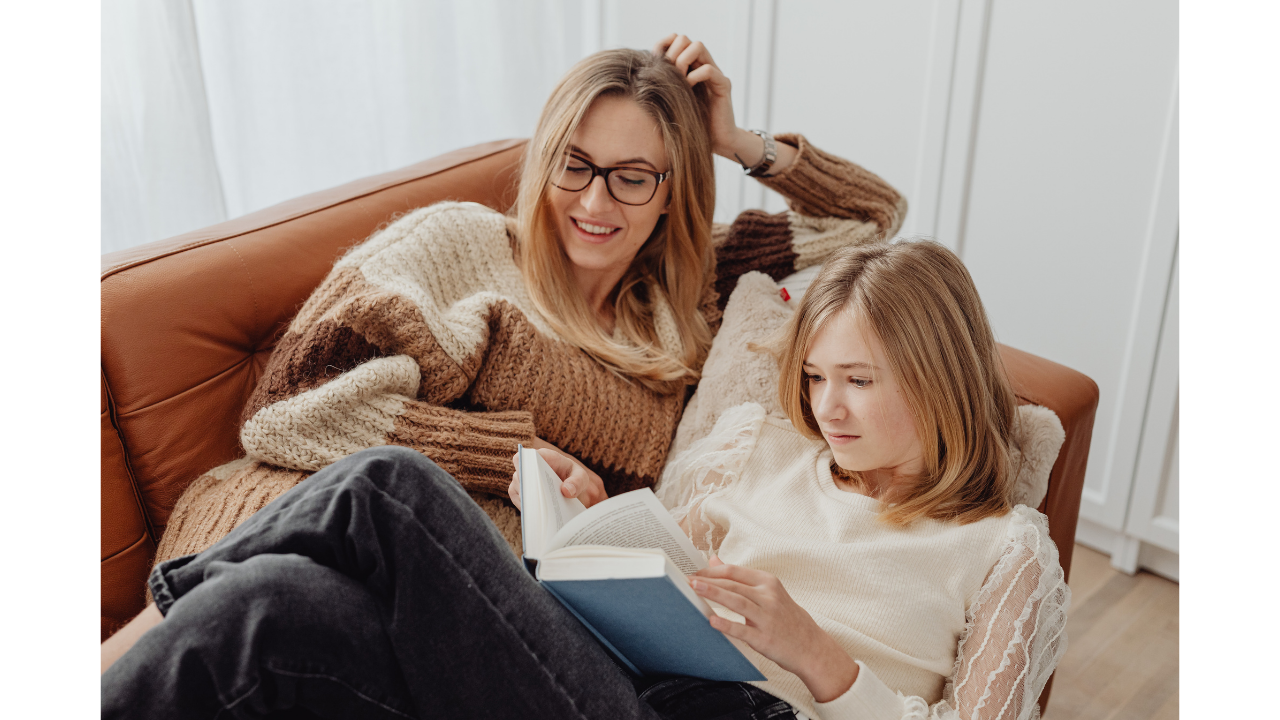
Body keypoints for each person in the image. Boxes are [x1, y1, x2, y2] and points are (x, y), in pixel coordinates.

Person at [100, 241, 1068, 720]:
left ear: (936, 378)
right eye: (814, 378)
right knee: (275, 604)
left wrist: (819, 657)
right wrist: (590, 530)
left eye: (858, 381)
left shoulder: (1000, 545)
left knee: (388, 491)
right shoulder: (753, 448)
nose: (827, 408)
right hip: (622, 686)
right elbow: (662, 585)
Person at [146, 33, 906, 574]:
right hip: (301, 523)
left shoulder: (688, 293)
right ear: (546, 161)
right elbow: (292, 408)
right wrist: (514, 456)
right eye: (575, 165)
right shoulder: (463, 246)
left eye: (633, 175)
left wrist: (737, 139)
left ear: (674, 193)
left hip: (444, 585)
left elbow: (872, 216)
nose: (595, 200)